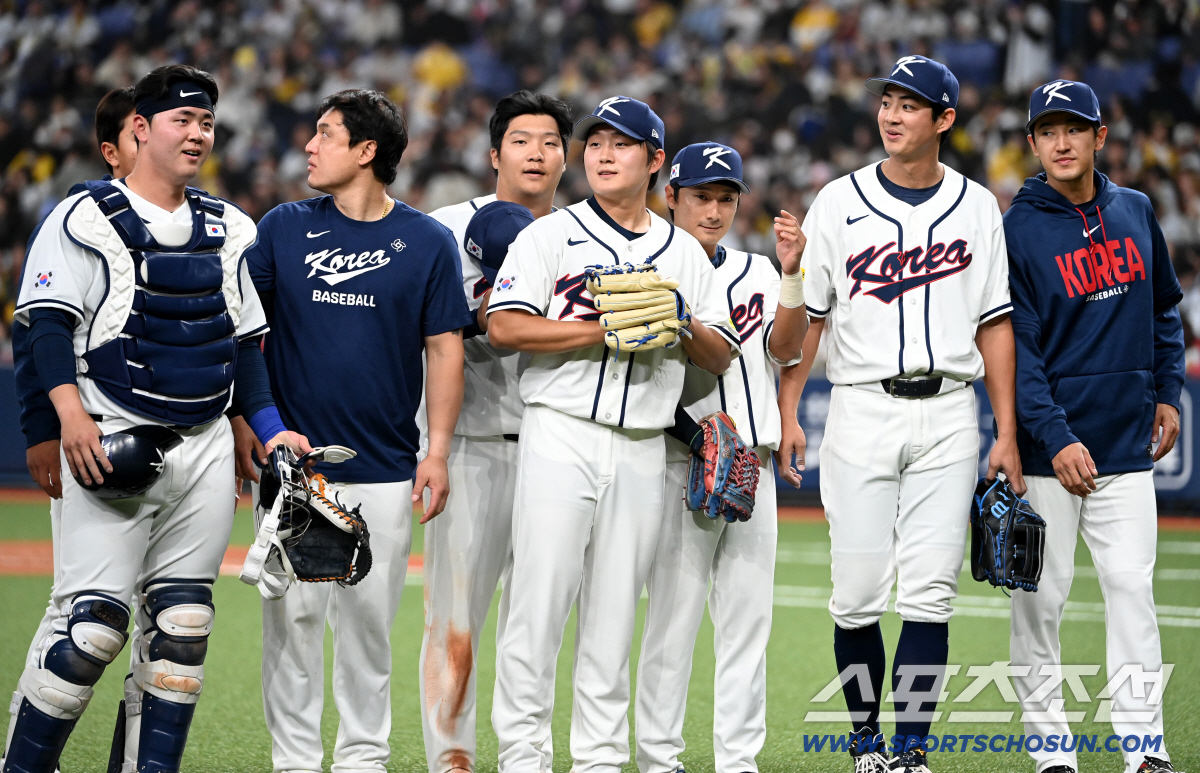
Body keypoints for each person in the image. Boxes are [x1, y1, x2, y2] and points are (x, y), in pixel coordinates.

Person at [3, 64, 308, 773]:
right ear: (138, 129)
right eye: (182, 120)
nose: (198, 133)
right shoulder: (81, 216)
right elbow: (46, 324)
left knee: (182, 630)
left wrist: (266, 428)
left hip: (202, 446)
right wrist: (62, 420)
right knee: (89, 632)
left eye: (205, 122)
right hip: (106, 434)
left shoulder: (233, 226)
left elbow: (243, 348)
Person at [782, 56, 1023, 773]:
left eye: (909, 105)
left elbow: (995, 323)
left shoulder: (978, 206)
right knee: (856, 594)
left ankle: (912, 750)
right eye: (887, 101)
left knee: (930, 592)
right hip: (859, 409)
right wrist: (790, 410)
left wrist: (1005, 430)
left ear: (944, 119)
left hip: (950, 411)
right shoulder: (838, 201)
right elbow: (812, 320)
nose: (891, 114)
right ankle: (865, 743)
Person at [485, 96, 739, 773]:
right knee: (537, 604)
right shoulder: (549, 234)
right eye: (595, 141)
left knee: (614, 612)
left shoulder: (683, 250)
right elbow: (504, 325)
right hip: (559, 434)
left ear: (655, 161)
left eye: (622, 144)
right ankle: (523, 756)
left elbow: (722, 353)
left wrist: (681, 323)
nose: (602, 153)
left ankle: (597, 758)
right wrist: (598, 330)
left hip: (640, 446)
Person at [232, 89, 471, 773]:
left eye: (326, 134)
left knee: (369, 630)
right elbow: (245, 338)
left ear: (366, 152)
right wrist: (253, 426)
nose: (309, 145)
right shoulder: (280, 227)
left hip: (389, 466)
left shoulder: (428, 242)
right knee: (294, 628)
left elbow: (445, 348)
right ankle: (296, 762)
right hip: (293, 472)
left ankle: (362, 760)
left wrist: (439, 451)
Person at [1006, 80, 1185, 773]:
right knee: (1038, 608)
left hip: (1125, 451)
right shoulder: (1016, 229)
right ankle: (1053, 751)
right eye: (1047, 130)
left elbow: (1165, 310)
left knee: (1133, 595)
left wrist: (1167, 391)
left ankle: (1145, 748)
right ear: (1032, 144)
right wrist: (1055, 435)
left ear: (1100, 137)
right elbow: (1017, 349)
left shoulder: (1136, 211)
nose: (1061, 141)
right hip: (1048, 456)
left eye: (1073, 128)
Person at [633, 142, 806, 773]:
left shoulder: (759, 271)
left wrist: (792, 274)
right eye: (701, 197)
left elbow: (786, 351)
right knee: (673, 621)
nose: (713, 210)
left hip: (750, 465)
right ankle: (659, 757)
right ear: (671, 197)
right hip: (681, 462)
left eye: (725, 198)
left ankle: (738, 760)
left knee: (747, 624)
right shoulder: (650, 271)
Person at [419, 90, 573, 773]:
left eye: (549, 141)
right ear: (493, 155)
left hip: (560, 448)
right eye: (521, 140)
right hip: (476, 446)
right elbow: (423, 333)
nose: (536, 152)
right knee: (456, 623)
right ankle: (452, 758)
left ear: (567, 157)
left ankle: (524, 759)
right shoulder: (444, 230)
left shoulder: (586, 234)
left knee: (536, 627)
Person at [15, 86, 137, 501]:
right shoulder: (72, 220)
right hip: (91, 432)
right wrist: (41, 430)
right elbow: (38, 331)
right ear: (111, 152)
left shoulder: (201, 220)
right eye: (138, 134)